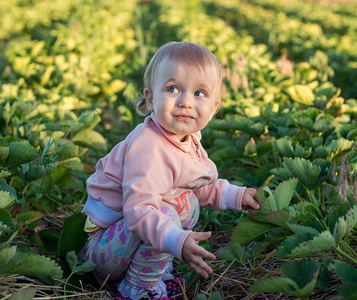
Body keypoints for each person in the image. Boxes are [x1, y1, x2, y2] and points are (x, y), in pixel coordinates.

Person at [78, 41, 260, 300]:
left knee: (189, 202)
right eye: (173, 89)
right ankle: (138, 290)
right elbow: (139, 212)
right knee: (165, 214)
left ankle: (156, 271)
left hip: (125, 241)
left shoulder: (187, 137)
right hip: (103, 251)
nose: (186, 102)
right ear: (151, 98)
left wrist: (238, 196)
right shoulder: (149, 148)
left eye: (199, 93)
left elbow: (198, 183)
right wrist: (176, 241)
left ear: (214, 107)